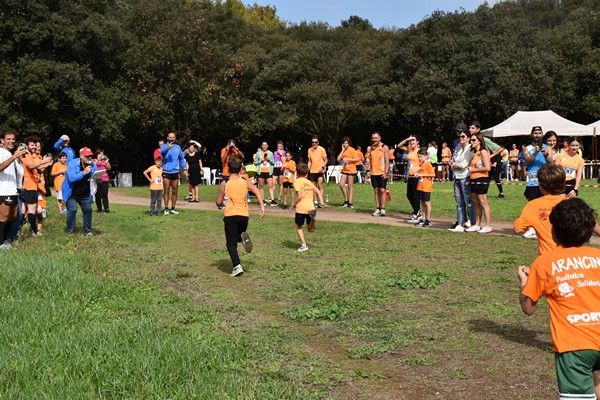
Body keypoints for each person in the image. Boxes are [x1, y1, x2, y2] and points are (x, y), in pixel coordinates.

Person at [517, 198, 600, 400]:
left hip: (574, 344)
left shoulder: (544, 262)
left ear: (554, 230)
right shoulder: (598, 256)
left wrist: (523, 285)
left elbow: (528, 308)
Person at [216, 156, 264, 277]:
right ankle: (242, 238)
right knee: (237, 235)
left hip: (231, 215)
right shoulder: (245, 181)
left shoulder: (225, 183)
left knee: (230, 243)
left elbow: (218, 202)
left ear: (228, 168)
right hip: (244, 216)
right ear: (240, 168)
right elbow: (257, 191)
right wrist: (262, 206)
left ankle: (237, 266)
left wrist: (220, 203)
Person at [514, 164, 568, 255]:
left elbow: (517, 229)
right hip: (574, 260)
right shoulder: (573, 203)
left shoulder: (533, 205)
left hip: (549, 258)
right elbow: (592, 225)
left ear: (540, 186)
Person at [522, 126, 550, 239]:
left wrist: (545, 153)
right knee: (532, 204)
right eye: (535, 133)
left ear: (542, 135)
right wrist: (535, 153)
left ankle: (543, 228)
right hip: (532, 180)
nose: (537, 135)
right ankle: (532, 228)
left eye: (539, 133)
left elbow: (551, 161)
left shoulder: (547, 147)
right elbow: (527, 160)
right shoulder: (527, 148)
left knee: (544, 205)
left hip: (544, 179)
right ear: (531, 135)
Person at [0, 132, 27, 249]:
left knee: (13, 216)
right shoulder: (1, 152)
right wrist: (14, 157)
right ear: (2, 141)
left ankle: (6, 240)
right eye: (8, 139)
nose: (11, 141)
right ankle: (1, 243)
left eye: (13, 139)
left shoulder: (10, 153)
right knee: (4, 216)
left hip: (13, 190)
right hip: (3, 190)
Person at [62, 147, 98, 235]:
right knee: (73, 210)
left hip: (85, 193)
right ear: (81, 156)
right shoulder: (72, 163)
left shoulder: (93, 165)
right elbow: (71, 178)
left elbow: (94, 177)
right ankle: (70, 231)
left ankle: (87, 230)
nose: (90, 158)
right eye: (87, 156)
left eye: (91, 156)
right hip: (72, 193)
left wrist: (98, 179)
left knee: (88, 210)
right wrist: (84, 172)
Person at [22, 137, 52, 236]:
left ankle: (22, 231)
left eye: (35, 145)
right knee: (30, 210)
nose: (34, 147)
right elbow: (30, 166)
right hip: (28, 185)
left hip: (33, 185)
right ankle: (33, 232)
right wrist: (44, 162)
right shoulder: (26, 154)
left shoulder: (31, 155)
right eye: (32, 145)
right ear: (27, 146)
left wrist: (45, 165)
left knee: (28, 210)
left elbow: (36, 170)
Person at [292, 162, 324, 252]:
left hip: (301, 208)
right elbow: (317, 191)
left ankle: (303, 245)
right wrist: (321, 202)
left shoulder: (297, 182)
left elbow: (300, 195)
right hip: (311, 207)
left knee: (298, 226)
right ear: (307, 173)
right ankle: (312, 220)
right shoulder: (308, 182)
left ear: (297, 173)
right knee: (310, 230)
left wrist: (293, 204)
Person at [448, 128, 476, 232]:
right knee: (459, 201)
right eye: (460, 136)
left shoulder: (470, 149)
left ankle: (473, 223)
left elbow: (464, 164)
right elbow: (453, 163)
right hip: (457, 177)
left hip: (465, 177)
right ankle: (460, 223)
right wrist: (455, 165)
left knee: (468, 202)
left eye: (463, 136)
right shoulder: (459, 149)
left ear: (468, 138)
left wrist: (455, 165)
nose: (461, 138)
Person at [470, 121, 505, 198]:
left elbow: (500, 149)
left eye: (472, 128)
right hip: (476, 170)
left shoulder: (485, 139)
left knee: (496, 178)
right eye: (470, 128)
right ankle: (485, 193)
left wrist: (490, 157)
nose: (470, 129)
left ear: (478, 129)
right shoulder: (471, 140)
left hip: (488, 165)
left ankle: (501, 192)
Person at [467, 132, 492, 233]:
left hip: (481, 179)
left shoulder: (483, 152)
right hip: (473, 180)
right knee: (476, 203)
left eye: (473, 140)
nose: (471, 142)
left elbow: (487, 167)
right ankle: (477, 224)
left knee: (483, 203)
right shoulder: (475, 153)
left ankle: (488, 225)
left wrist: (473, 170)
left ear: (479, 141)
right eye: (471, 140)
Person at [160, 132, 187, 215]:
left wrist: (185, 168)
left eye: (173, 137)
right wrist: (167, 148)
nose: (172, 139)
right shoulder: (164, 146)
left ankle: (173, 208)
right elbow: (162, 153)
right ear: (167, 138)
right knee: (166, 190)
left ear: (175, 138)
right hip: (166, 171)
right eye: (170, 137)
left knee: (175, 190)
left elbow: (181, 159)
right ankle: (166, 208)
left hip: (175, 171)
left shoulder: (178, 147)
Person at [365, 132, 390, 217]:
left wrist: (386, 172)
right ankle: (378, 208)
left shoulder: (384, 147)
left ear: (379, 138)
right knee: (376, 190)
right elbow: (370, 160)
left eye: (376, 138)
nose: (374, 139)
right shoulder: (372, 148)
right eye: (373, 138)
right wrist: (368, 170)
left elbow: (387, 161)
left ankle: (382, 209)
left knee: (382, 190)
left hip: (382, 172)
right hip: (374, 173)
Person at [398, 134, 420, 221]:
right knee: (409, 194)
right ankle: (417, 210)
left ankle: (416, 212)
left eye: (413, 140)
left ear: (418, 141)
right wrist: (407, 139)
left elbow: (423, 163)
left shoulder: (419, 151)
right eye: (411, 141)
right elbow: (399, 145)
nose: (411, 142)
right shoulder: (409, 149)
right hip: (410, 175)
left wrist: (417, 170)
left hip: (416, 176)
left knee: (415, 195)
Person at [414, 148, 435, 227]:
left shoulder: (427, 163)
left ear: (426, 156)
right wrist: (417, 173)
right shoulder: (421, 164)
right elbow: (420, 172)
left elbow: (433, 174)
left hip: (426, 186)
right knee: (422, 202)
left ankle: (428, 220)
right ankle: (423, 218)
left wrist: (422, 175)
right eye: (418, 157)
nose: (420, 158)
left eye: (421, 156)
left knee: (427, 202)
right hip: (420, 186)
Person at [337, 137, 359, 208]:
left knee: (350, 186)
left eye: (346, 143)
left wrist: (348, 159)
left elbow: (357, 159)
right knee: (341, 184)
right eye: (344, 143)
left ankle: (350, 202)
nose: (345, 144)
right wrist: (342, 150)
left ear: (349, 143)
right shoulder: (343, 150)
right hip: (345, 170)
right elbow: (338, 159)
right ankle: (346, 200)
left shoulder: (352, 149)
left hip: (351, 170)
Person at [253, 141, 276, 206]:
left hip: (269, 171)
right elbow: (255, 162)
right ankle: (262, 200)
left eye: (265, 145)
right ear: (261, 146)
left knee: (270, 185)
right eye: (263, 145)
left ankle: (272, 200)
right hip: (261, 171)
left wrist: (269, 160)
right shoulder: (258, 153)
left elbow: (274, 163)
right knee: (261, 186)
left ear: (267, 146)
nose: (264, 146)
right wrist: (261, 161)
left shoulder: (270, 153)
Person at [307, 136, 327, 208]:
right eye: (313, 142)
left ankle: (321, 202)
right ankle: (315, 201)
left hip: (320, 171)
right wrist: (307, 170)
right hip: (312, 170)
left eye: (315, 142)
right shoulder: (309, 150)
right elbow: (309, 161)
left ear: (318, 142)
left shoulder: (322, 149)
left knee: (320, 185)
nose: (314, 143)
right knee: (313, 187)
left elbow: (326, 160)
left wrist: (322, 167)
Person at [92, 148, 111, 213]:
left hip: (105, 179)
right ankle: (99, 209)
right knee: (97, 195)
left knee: (104, 195)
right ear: (97, 154)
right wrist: (98, 160)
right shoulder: (94, 160)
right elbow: (92, 166)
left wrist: (106, 162)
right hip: (97, 179)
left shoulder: (104, 161)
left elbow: (109, 168)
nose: (101, 155)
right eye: (100, 154)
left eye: (102, 154)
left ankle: (106, 209)